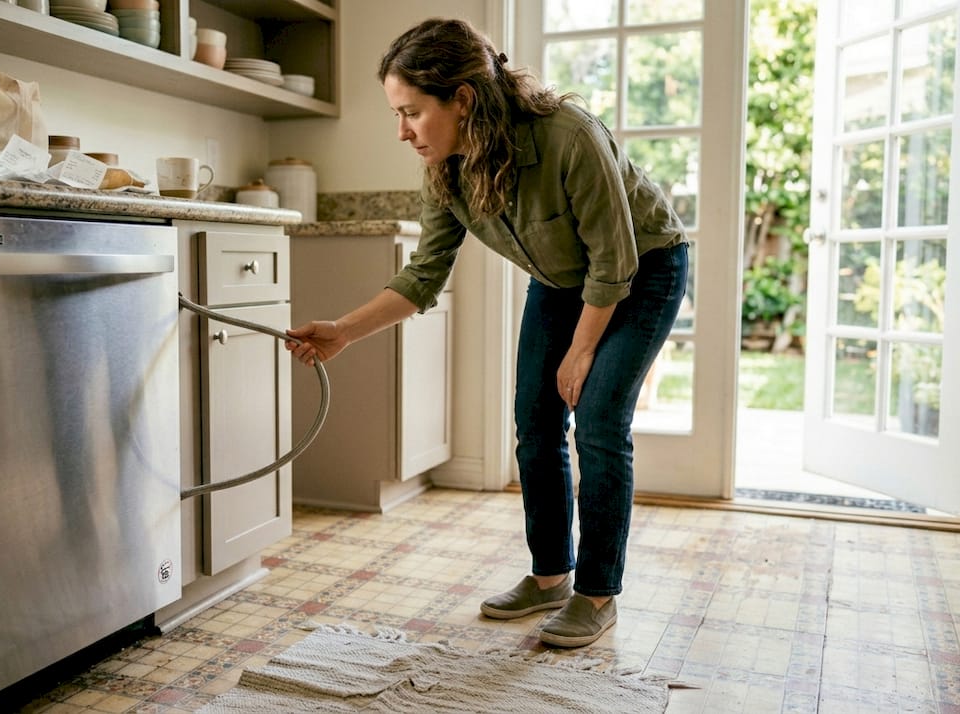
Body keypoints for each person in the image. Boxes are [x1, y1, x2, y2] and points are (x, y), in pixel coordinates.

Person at [285, 17, 689, 648]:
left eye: (412, 112)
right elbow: (423, 276)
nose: (402, 131)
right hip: (560, 280)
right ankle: (552, 577)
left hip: (644, 269)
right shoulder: (445, 168)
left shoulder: (567, 135)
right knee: (535, 420)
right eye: (397, 114)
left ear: (463, 99)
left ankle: (597, 593)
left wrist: (581, 353)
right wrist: (342, 330)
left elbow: (614, 263)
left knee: (602, 421)